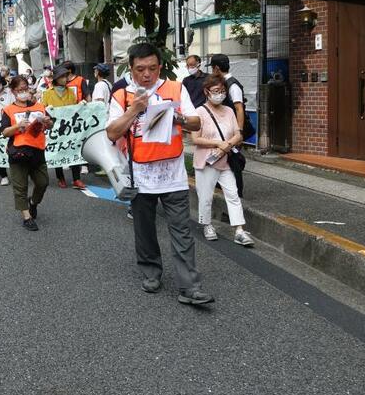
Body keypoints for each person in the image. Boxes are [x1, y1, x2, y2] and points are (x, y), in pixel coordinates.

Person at [106, 42, 213, 306]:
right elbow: (111, 132)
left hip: (173, 173)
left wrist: (178, 118)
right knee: (145, 230)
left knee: (182, 231)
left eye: (152, 68)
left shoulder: (176, 88)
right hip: (140, 175)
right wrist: (134, 110)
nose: (147, 74)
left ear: (160, 67)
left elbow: (196, 121)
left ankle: (190, 287)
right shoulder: (122, 95)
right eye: (140, 69)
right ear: (130, 68)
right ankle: (151, 272)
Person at [191, 74, 254, 247]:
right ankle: (207, 224)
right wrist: (218, 143)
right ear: (206, 92)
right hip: (207, 161)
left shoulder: (229, 111)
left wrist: (227, 145)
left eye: (222, 91)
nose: (220, 94)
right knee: (205, 196)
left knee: (233, 194)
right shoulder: (199, 112)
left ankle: (239, 230)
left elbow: (238, 134)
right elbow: (195, 139)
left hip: (226, 160)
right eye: (216, 91)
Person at [0, 76, 54, 231]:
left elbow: (50, 124)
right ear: (13, 91)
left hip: (37, 151)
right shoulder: (8, 110)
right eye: (19, 90)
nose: (23, 92)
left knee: (43, 182)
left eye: (25, 89)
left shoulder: (39, 106)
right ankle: (27, 217)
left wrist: (48, 123)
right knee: (20, 187)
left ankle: (33, 203)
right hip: (18, 153)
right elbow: (4, 132)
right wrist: (17, 126)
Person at [207, 53, 249, 196]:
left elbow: (239, 109)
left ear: (217, 68)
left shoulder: (232, 85)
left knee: (233, 163)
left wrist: (240, 133)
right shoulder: (223, 84)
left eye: (212, 69)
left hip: (232, 133)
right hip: (223, 132)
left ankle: (237, 195)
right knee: (223, 163)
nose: (212, 72)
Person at [40, 65, 86, 190]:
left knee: (74, 149)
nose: (65, 78)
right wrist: (47, 111)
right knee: (57, 151)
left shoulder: (70, 91)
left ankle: (76, 179)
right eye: (62, 76)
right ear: (56, 78)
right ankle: (60, 178)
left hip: (70, 127)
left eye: (66, 76)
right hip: (55, 127)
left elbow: (75, 106)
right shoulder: (48, 93)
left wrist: (81, 105)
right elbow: (43, 109)